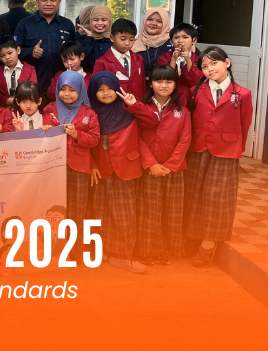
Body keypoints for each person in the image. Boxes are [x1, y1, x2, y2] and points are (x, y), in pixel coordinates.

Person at [184, 46, 253, 268]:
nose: (209, 69)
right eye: (204, 66)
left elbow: (244, 124)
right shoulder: (195, 91)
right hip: (198, 149)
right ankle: (193, 237)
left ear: (227, 63)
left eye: (214, 63)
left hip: (225, 152)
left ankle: (208, 243)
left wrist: (236, 150)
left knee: (217, 199)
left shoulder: (242, 94)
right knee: (195, 194)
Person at [119, 65, 190, 264]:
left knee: (171, 212)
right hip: (149, 170)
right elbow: (138, 137)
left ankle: (167, 250)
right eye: (159, 81)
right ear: (151, 84)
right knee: (149, 212)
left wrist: (170, 165)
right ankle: (148, 251)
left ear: (175, 85)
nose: (163, 85)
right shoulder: (142, 108)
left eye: (168, 81)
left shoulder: (182, 111)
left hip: (174, 171)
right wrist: (151, 164)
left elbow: (185, 140)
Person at [88, 71, 145, 274]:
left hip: (124, 169)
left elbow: (152, 121)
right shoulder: (90, 113)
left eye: (110, 88)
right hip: (100, 170)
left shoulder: (128, 109)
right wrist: (92, 164)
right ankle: (106, 251)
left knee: (124, 215)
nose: (105, 93)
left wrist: (134, 105)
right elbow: (85, 143)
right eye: (100, 89)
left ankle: (124, 255)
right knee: (100, 213)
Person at [42, 72, 100, 258]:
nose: (66, 94)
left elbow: (95, 140)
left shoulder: (89, 113)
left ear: (81, 90)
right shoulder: (49, 109)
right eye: (63, 89)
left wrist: (77, 135)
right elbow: (40, 135)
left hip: (79, 168)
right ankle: (54, 250)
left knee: (77, 209)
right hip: (53, 167)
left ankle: (74, 252)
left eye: (72, 90)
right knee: (55, 210)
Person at [14, 0, 77, 94]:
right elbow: (14, 51)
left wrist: (67, 52)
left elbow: (76, 53)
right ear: (37, 1)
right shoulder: (25, 24)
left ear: (59, 1)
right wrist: (30, 52)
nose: (48, 3)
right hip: (32, 86)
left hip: (62, 86)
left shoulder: (67, 25)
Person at [93, 18, 145, 99]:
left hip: (136, 103)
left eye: (132, 39)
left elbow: (142, 85)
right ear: (112, 38)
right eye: (123, 39)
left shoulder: (138, 59)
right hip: (113, 104)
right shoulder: (102, 62)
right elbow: (95, 88)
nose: (127, 43)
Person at [157, 23, 202, 106]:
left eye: (185, 37)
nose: (180, 40)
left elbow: (197, 82)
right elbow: (164, 79)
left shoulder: (199, 59)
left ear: (194, 40)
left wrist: (188, 60)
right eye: (176, 37)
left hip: (191, 100)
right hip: (168, 99)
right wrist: (173, 60)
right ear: (171, 41)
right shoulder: (164, 58)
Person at [0, 36, 38, 108]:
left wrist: (19, 101)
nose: (7, 57)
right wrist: (9, 101)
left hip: (25, 109)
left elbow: (33, 91)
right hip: (4, 109)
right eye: (2, 55)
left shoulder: (30, 70)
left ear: (18, 50)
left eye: (10, 53)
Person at [133, 9, 173, 77]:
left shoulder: (172, 44)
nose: (153, 23)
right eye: (150, 19)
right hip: (139, 82)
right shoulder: (134, 43)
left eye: (159, 21)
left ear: (165, 24)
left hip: (163, 82)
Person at [77, 5, 113, 71]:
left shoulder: (114, 41)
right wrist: (89, 38)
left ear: (109, 21)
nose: (100, 23)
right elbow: (80, 62)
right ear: (90, 21)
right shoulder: (82, 40)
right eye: (96, 20)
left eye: (104, 20)